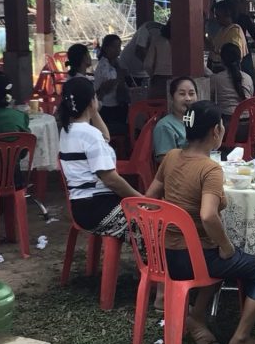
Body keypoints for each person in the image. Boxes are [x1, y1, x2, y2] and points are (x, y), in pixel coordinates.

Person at [144, 101, 255, 344]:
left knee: (216, 252)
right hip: (195, 258)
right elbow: (208, 215)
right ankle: (241, 338)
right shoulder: (209, 168)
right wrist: (227, 247)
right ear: (216, 131)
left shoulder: (172, 157)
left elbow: (149, 198)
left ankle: (197, 318)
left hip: (166, 255)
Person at [58, 76, 142, 238]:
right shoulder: (90, 135)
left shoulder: (67, 131)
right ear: (92, 101)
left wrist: (93, 111)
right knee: (152, 222)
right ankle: (154, 255)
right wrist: (140, 198)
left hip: (81, 207)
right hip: (99, 208)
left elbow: (105, 137)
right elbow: (111, 180)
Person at [153, 76, 198, 164]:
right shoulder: (165, 126)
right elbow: (166, 161)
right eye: (182, 94)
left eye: (191, 94)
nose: (188, 98)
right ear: (172, 98)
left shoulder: (199, 120)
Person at [93, 34, 128, 136]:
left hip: (117, 104)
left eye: (119, 47)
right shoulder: (103, 65)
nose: (118, 50)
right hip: (107, 107)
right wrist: (119, 77)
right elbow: (107, 87)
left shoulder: (116, 62)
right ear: (106, 48)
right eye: (115, 47)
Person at [211, 43, 253, 119]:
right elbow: (251, 96)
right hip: (248, 121)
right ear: (240, 59)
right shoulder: (248, 78)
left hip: (227, 121)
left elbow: (211, 100)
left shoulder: (216, 79)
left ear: (222, 60)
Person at [118, 20, 163, 88]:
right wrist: (153, 71)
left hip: (145, 72)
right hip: (129, 68)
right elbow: (139, 51)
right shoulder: (148, 28)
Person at [208, 0, 249, 73]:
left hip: (229, 71)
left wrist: (215, 50)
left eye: (218, 16)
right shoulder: (223, 29)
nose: (216, 18)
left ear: (227, 14)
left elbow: (232, 55)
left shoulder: (235, 31)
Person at [144, 21, 173, 99]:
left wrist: (153, 76)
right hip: (179, 80)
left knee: (157, 105)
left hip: (159, 80)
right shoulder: (185, 41)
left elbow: (147, 65)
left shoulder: (157, 40)